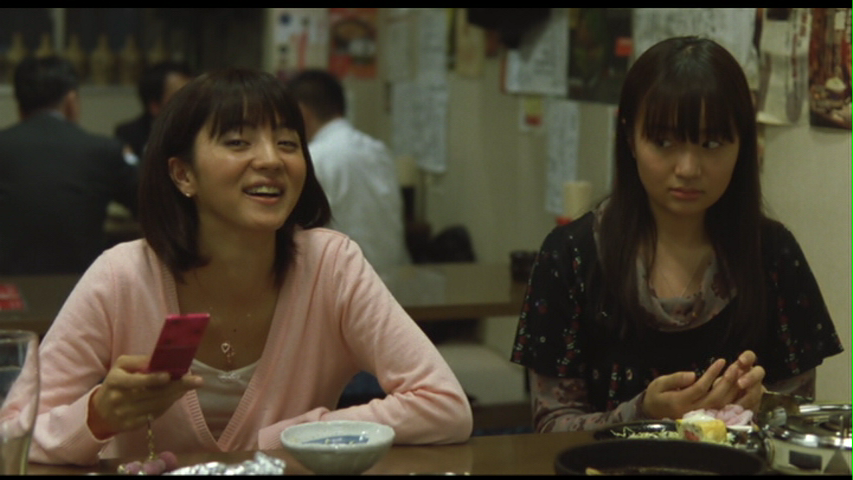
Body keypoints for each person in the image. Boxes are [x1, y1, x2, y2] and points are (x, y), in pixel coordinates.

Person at [30, 68, 472, 466]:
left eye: (288, 143)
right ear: (183, 174)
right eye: (238, 142)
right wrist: (99, 416)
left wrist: (300, 434)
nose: (271, 160)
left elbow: (444, 405)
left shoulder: (330, 266)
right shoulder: (122, 276)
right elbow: (14, 427)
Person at [510, 36, 844, 432]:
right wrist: (642, 414)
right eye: (664, 142)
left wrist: (763, 407)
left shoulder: (773, 254)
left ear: (743, 144)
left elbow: (800, 421)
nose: (688, 168)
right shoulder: (571, 256)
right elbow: (550, 428)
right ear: (629, 138)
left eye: (712, 143)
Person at [0, 56, 139, 275]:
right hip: (83, 286)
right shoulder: (104, 150)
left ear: (19, 106)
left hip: (8, 287)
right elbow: (151, 203)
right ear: (71, 101)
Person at [286, 69, 410, 275]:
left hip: (343, 279)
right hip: (393, 276)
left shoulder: (314, 158)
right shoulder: (378, 150)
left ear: (302, 113)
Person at [114, 61, 193, 159]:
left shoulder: (202, 131)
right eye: (182, 96)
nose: (191, 102)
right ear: (154, 106)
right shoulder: (129, 135)